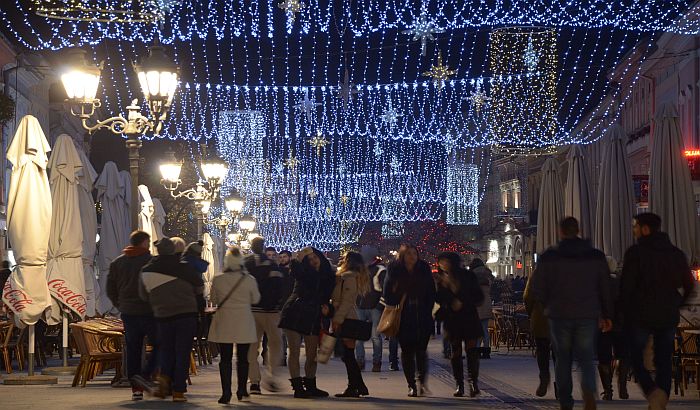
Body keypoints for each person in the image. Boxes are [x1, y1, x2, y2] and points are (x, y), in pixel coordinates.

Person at [530, 217, 613, 410]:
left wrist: (547, 304)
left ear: (561, 232)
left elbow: (538, 287)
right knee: (586, 357)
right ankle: (589, 391)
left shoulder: (549, 256)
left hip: (559, 314)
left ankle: (566, 401)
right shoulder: (595, 256)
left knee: (563, 358)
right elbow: (605, 287)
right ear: (578, 230)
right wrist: (607, 314)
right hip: (587, 313)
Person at [620, 213, 695, 410]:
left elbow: (626, 288)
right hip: (667, 314)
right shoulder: (676, 254)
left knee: (635, 357)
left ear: (645, 229)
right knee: (663, 360)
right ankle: (661, 396)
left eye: (636, 226)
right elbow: (689, 285)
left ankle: (653, 393)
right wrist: (677, 304)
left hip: (640, 315)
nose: (634, 230)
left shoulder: (635, 253)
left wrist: (624, 313)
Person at [139, 237, 205, 403]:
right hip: (185, 314)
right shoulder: (185, 267)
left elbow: (143, 295)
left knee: (166, 351)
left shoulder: (147, 270)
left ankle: (164, 382)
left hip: (162, 315)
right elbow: (199, 288)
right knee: (182, 352)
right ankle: (178, 391)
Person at [278, 246, 336, 398]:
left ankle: (311, 385)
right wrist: (303, 253)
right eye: (309, 259)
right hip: (295, 312)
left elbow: (328, 298)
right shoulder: (302, 272)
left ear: (321, 257)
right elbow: (296, 267)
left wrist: (328, 309)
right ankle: (298, 387)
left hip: (313, 315)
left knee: (312, 354)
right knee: (294, 352)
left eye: (315, 257)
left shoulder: (328, 275)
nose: (313, 261)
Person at [106, 230, 157, 401]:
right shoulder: (151, 261)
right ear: (143, 243)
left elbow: (110, 288)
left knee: (133, 349)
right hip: (148, 311)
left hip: (128, 312)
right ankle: (145, 375)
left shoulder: (117, 263)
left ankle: (136, 388)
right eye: (148, 243)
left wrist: (119, 304)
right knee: (159, 344)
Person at [382, 244, 436, 397]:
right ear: (402, 256)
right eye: (409, 254)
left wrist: (429, 309)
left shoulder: (423, 269)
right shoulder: (394, 270)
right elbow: (387, 293)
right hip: (404, 315)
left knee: (421, 351)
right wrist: (396, 299)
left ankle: (422, 381)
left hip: (422, 314)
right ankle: (411, 384)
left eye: (414, 253)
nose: (412, 256)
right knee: (407, 351)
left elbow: (431, 291)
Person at [209, 246, 260, 404]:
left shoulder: (218, 279)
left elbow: (215, 300)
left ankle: (226, 393)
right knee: (243, 358)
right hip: (244, 320)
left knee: (225, 359)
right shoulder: (249, 279)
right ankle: (242, 390)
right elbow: (256, 299)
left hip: (224, 320)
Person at [436, 252, 484, 397]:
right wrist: (450, 301)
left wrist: (462, 301)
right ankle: (459, 384)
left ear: (452, 262)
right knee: (455, 352)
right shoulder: (441, 280)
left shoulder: (468, 276)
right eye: (440, 262)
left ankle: (473, 382)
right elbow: (438, 299)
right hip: (453, 319)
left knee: (472, 351)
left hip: (468, 316)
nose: (441, 264)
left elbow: (478, 296)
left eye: (444, 261)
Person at [245, 237, 285, 394]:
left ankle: (254, 381)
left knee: (251, 346)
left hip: (252, 311)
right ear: (262, 247)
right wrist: (276, 303)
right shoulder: (273, 265)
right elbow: (279, 286)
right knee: (275, 344)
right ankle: (272, 374)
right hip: (271, 311)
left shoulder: (245, 264)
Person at [330, 251, 371, 397]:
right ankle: (356, 386)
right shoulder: (351, 277)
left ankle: (356, 386)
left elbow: (346, 301)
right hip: (347, 317)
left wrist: (337, 320)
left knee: (347, 355)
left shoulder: (349, 277)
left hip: (347, 318)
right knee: (347, 355)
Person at [597, 256, 629, 401]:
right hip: (621, 325)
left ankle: (608, 390)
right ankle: (623, 386)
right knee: (622, 355)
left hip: (603, 325)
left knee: (604, 357)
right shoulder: (622, 282)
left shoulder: (598, 284)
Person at [524, 264, 556, 398]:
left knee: (542, 350)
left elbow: (527, 296)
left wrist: (532, 313)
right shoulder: (564, 271)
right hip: (560, 318)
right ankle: (560, 383)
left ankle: (544, 375)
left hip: (541, 317)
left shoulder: (536, 274)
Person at [354, 246, 387, 372]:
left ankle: (376, 362)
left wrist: (380, 305)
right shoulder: (360, 270)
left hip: (374, 307)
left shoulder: (380, 270)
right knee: (361, 337)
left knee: (375, 337)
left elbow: (385, 289)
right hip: (361, 306)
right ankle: (361, 360)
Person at [469, 258, 493, 359]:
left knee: (477, 330)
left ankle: (477, 350)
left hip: (477, 305)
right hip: (487, 304)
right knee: (485, 329)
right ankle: (486, 351)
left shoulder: (472, 275)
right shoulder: (488, 275)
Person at [277, 250, 294, 366]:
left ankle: (292, 354)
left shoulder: (294, 271)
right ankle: (282, 356)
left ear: (290, 257)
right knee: (281, 333)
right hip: (281, 305)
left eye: (285, 257)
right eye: (281, 257)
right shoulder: (278, 271)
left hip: (292, 305)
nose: (282, 259)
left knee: (291, 333)